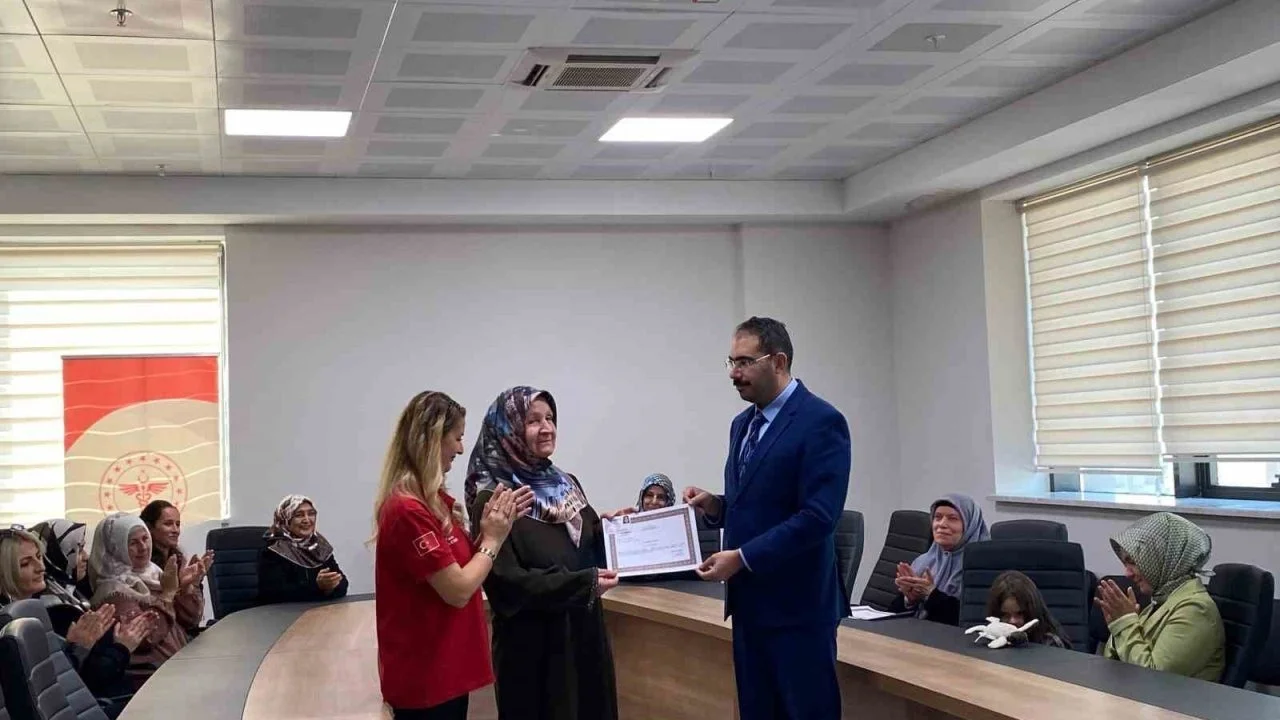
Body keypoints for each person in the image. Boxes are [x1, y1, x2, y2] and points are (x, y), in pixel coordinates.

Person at [683, 317, 852, 720]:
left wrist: (742, 557)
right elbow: (760, 503)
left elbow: (818, 517)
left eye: (744, 362)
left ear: (778, 361)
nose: (734, 374)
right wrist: (716, 506)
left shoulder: (821, 421)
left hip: (799, 612)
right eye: (731, 362)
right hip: (749, 608)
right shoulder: (742, 425)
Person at [372, 391, 533, 720]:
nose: (461, 449)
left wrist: (490, 529)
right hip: (425, 679)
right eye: (457, 438)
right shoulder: (407, 510)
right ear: (432, 440)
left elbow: (461, 566)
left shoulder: (432, 503)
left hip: (446, 671)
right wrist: (493, 540)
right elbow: (458, 589)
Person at [465, 386, 619, 720]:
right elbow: (507, 585)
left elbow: (585, 547)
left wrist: (617, 531)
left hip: (583, 634)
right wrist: (582, 584)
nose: (547, 428)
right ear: (508, 430)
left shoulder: (566, 483)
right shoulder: (494, 499)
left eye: (550, 418)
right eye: (533, 421)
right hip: (534, 651)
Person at [0, 527, 155, 716]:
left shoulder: (52, 603)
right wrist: (80, 647)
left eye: (39, 557)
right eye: (25, 563)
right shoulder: (22, 622)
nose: (41, 567)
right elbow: (53, 689)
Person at [1096, 512, 1225, 681]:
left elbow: (1153, 680)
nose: (1127, 573)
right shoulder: (1161, 600)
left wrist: (1124, 623)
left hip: (1169, 698)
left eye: (1133, 562)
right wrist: (1118, 623)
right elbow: (1115, 661)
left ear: (1164, 558)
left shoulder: (1195, 610)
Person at [89, 512, 202, 678]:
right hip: (152, 679)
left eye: (145, 539)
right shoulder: (113, 591)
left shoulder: (154, 573)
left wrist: (186, 587)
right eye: (133, 543)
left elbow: (190, 620)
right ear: (115, 548)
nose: (143, 547)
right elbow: (147, 637)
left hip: (179, 668)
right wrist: (167, 594)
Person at [891, 493, 989, 626]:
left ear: (970, 526)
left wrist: (931, 594)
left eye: (952, 519)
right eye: (937, 517)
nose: (941, 524)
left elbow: (975, 621)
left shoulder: (983, 567)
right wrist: (909, 600)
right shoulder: (923, 562)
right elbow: (891, 615)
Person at [258, 495, 349, 604]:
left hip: (320, 610)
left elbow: (343, 583)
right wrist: (317, 586)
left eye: (311, 514)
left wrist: (330, 588)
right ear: (285, 519)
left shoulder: (318, 545)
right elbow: (274, 594)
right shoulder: (274, 549)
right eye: (299, 515)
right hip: (286, 612)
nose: (307, 520)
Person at [140, 500, 211, 634]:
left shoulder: (179, 560)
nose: (176, 530)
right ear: (149, 528)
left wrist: (193, 584)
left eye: (177, 524)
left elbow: (191, 620)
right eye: (168, 524)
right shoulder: (144, 568)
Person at [985, 571, 1071, 649]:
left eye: (1019, 613)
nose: (1012, 621)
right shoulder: (990, 640)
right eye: (1005, 615)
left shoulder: (1051, 645)